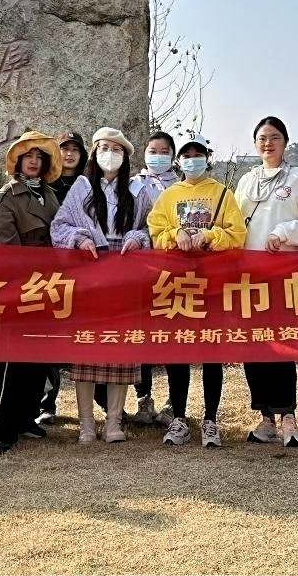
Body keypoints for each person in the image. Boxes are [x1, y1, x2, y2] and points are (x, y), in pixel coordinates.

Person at [50, 127, 153, 443]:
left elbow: (150, 227)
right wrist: (78, 238)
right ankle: (86, 423)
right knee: (87, 347)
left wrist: (137, 238)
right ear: (94, 154)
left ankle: (113, 422)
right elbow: (60, 225)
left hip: (125, 271)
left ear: (125, 157)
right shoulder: (81, 187)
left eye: (117, 149)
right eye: (104, 148)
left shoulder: (137, 190)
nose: (110, 154)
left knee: (121, 347)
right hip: (90, 269)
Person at [147, 131, 247, 449]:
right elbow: (155, 231)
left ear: (208, 158)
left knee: (211, 353)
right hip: (177, 282)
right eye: (187, 156)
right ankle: (179, 418)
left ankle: (210, 420)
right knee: (177, 350)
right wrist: (175, 234)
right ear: (179, 161)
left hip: (211, 283)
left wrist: (210, 237)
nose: (192, 160)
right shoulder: (169, 195)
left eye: (198, 155)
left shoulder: (222, 194)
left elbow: (237, 234)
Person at [235, 116, 298, 448]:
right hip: (249, 276)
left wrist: (284, 232)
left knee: (281, 343)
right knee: (254, 344)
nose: (268, 143)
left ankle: (288, 415)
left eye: (274, 137)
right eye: (262, 138)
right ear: (255, 143)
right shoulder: (246, 180)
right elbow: (234, 223)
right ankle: (265, 417)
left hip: (284, 274)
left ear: (285, 142)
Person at [0, 130, 63, 454]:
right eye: (27, 156)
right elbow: (7, 250)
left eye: (39, 157)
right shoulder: (8, 197)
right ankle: (1, 427)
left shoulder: (51, 195)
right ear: (17, 162)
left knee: (40, 356)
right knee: (15, 359)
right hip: (22, 286)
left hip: (51, 284)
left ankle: (26, 417)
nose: (33, 161)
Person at [127, 130, 179, 425]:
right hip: (141, 269)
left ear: (173, 156)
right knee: (142, 334)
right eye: (152, 151)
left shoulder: (183, 185)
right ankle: (143, 398)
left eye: (164, 151)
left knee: (173, 334)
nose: (158, 156)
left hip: (174, 270)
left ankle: (174, 401)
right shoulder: (133, 184)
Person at [38, 128, 88, 424]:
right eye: (64, 149)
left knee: (87, 335)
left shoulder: (89, 185)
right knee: (50, 336)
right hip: (51, 271)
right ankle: (47, 403)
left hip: (86, 272)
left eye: (75, 149)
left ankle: (100, 403)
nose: (69, 154)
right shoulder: (45, 186)